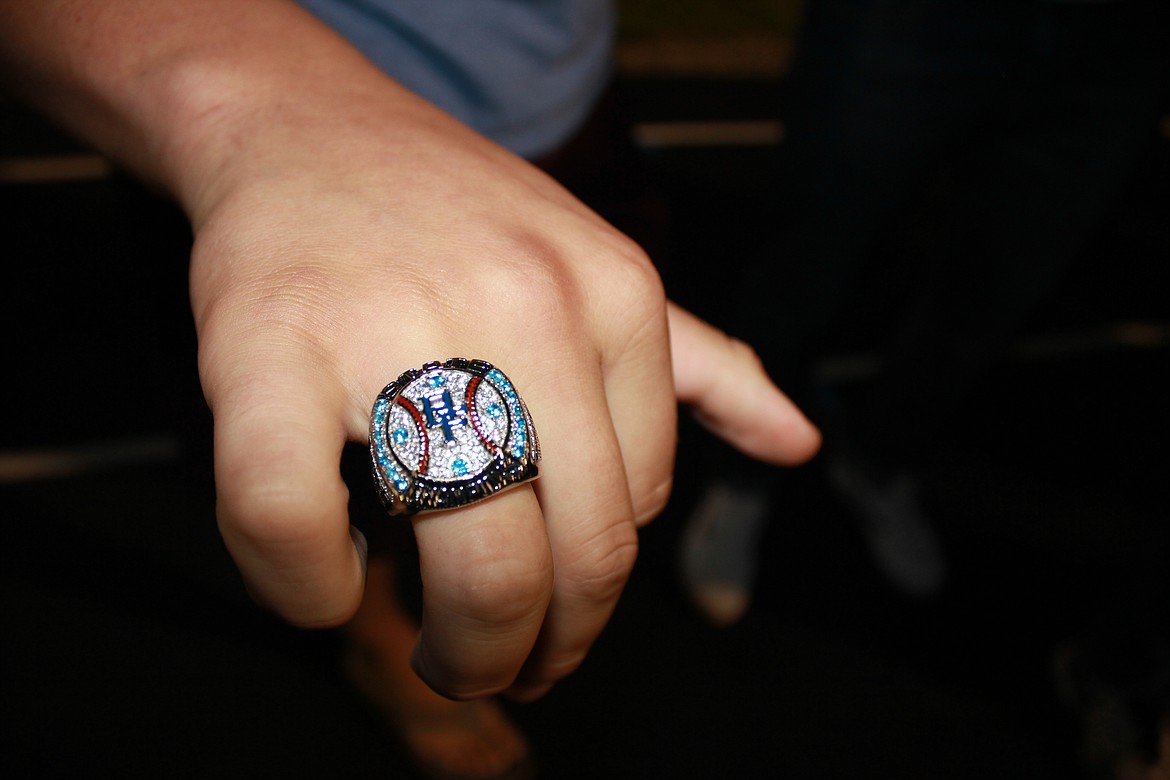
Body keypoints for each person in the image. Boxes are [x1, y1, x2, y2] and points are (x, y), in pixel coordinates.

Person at [0, 1, 821, 777]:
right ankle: (381, 631)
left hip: (570, 107)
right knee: (300, 448)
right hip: (244, 144)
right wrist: (250, 98)